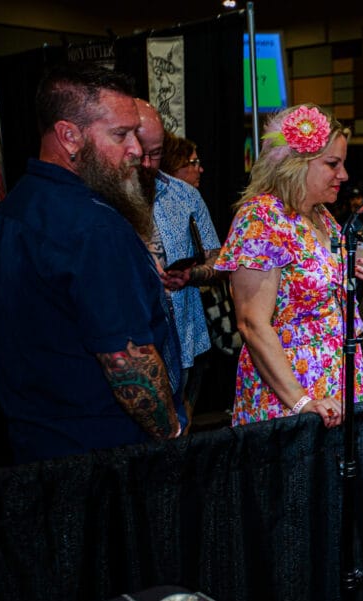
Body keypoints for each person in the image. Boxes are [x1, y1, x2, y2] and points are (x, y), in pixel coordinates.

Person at [0, 63, 181, 462]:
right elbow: (125, 360)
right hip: (102, 459)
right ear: (69, 136)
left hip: (34, 445)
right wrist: (172, 430)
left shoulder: (20, 202)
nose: (136, 150)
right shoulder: (93, 227)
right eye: (120, 134)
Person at [214, 104, 363, 427]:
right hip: (288, 398)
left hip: (335, 391)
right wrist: (302, 402)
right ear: (295, 164)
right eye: (333, 164)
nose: (344, 175)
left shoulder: (322, 217)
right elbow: (252, 323)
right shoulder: (261, 218)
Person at [135, 99, 223, 424]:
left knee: (181, 426)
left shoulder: (185, 196)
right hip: (135, 341)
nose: (145, 162)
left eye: (154, 153)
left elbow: (219, 259)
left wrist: (191, 274)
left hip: (187, 335)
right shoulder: (104, 198)